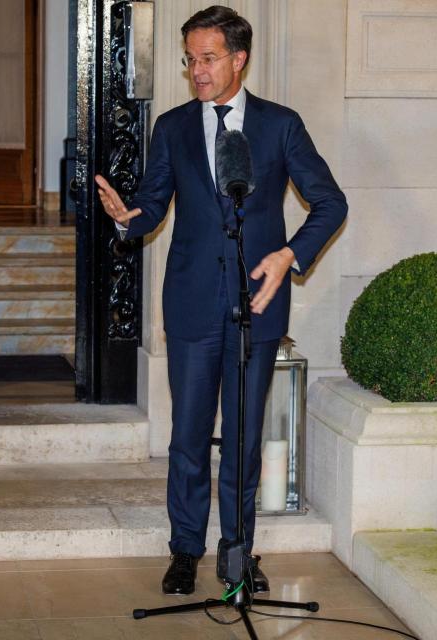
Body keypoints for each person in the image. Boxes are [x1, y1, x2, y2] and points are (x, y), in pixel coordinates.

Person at [96, 5, 347, 595]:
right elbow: (153, 203)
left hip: (255, 306)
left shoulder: (280, 125)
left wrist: (290, 254)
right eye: (189, 60)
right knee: (186, 436)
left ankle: (238, 551)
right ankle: (185, 549)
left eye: (208, 59)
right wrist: (130, 218)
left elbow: (330, 202)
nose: (197, 71)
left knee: (241, 438)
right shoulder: (173, 126)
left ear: (239, 58)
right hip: (189, 303)